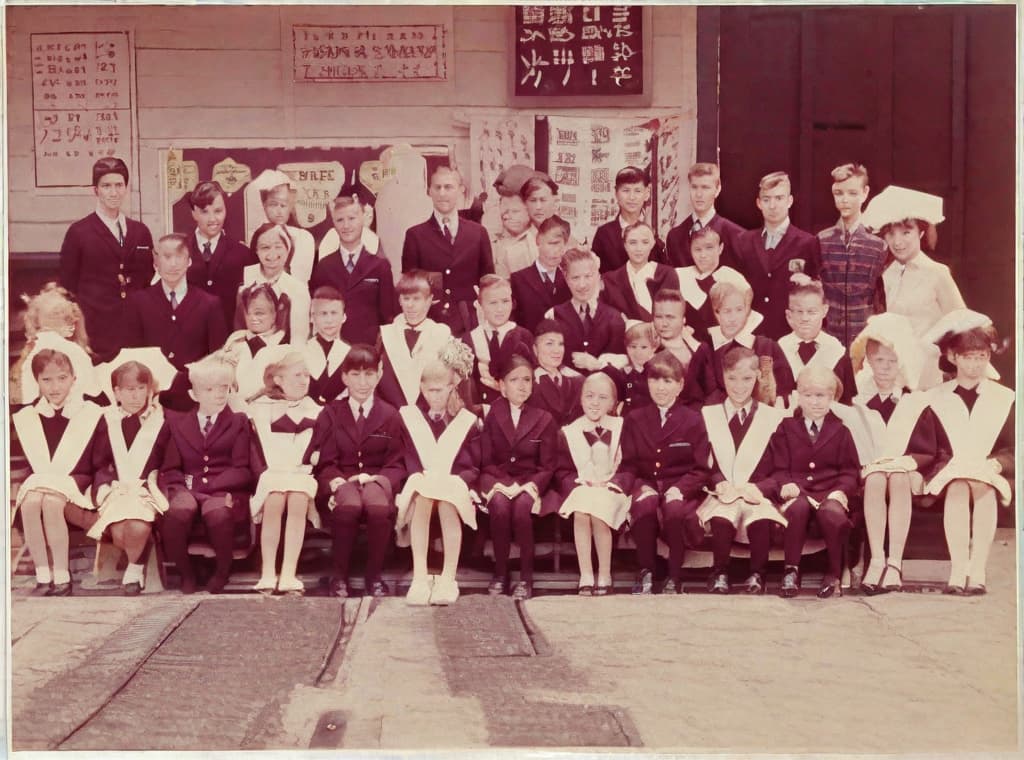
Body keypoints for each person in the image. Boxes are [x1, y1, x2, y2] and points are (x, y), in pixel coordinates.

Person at [846, 313, 940, 594]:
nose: (885, 368)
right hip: (870, 472)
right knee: (876, 478)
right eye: (879, 361)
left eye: (892, 362)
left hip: (905, 472)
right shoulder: (857, 400)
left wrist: (907, 465)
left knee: (897, 477)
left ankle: (895, 562)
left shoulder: (913, 400)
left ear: (901, 365)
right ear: (868, 362)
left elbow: (926, 449)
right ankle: (876, 560)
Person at [922, 310, 1013, 595]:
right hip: (948, 476)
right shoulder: (936, 398)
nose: (974, 365)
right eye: (968, 357)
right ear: (953, 357)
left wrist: (998, 465)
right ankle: (958, 568)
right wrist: (950, 466)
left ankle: (978, 569)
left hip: (991, 472)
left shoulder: (1004, 398)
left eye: (981, 357)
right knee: (960, 484)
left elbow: (1012, 445)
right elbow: (930, 446)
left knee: (981, 484)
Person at [313, 344, 406, 598]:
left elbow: (397, 462)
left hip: (376, 479)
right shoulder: (331, 414)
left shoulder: (391, 415)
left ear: (378, 375)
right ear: (344, 377)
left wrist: (380, 481)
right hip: (343, 480)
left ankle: (374, 576)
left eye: (369, 374)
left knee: (377, 506)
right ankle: (338, 576)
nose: (362, 382)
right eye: (355, 375)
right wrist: (338, 482)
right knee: (349, 505)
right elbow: (325, 463)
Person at [11, 349, 107, 595]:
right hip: (42, 479)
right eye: (47, 380)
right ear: (37, 382)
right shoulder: (27, 416)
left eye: (62, 378)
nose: (55, 386)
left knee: (52, 502)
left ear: (74, 378)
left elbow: (98, 462)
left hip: (77, 480)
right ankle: (43, 575)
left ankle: (62, 577)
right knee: (30, 503)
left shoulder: (90, 413)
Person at [157, 354, 253, 594]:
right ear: (194, 395)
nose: (219, 394)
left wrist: (210, 488)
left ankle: (222, 572)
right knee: (178, 512)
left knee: (218, 513)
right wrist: (182, 490)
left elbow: (242, 469)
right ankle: (186, 574)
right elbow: (170, 469)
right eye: (210, 389)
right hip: (187, 487)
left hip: (223, 488)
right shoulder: (177, 423)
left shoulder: (238, 422)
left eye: (224, 387)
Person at [618, 351, 711, 594]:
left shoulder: (693, 420)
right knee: (645, 506)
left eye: (667, 381)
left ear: (680, 386)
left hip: (679, 485)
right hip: (646, 482)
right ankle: (646, 571)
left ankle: (674, 575)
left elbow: (700, 468)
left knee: (674, 510)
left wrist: (680, 489)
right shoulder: (634, 418)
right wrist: (638, 485)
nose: (660, 388)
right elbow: (628, 464)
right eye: (655, 380)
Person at [697, 346, 787, 595]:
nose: (739, 386)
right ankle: (719, 573)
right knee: (721, 516)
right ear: (722, 377)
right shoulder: (708, 415)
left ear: (758, 376)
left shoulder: (772, 417)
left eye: (746, 378)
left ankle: (758, 574)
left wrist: (761, 488)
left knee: (759, 517)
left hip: (756, 491)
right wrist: (718, 481)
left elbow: (781, 468)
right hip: (721, 491)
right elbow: (702, 463)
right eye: (732, 378)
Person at [394, 350, 480, 606]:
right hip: (423, 480)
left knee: (446, 500)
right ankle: (420, 576)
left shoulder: (466, 420)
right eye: (430, 390)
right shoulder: (410, 417)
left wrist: (457, 480)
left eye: (440, 390)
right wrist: (419, 476)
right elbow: (408, 457)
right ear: (422, 388)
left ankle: (448, 577)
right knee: (423, 497)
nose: (435, 396)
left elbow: (472, 463)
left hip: (454, 482)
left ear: (452, 387)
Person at [83, 357, 174, 595]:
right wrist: (104, 485)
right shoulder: (107, 420)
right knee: (120, 533)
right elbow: (99, 461)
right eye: (129, 390)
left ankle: (133, 572)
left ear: (150, 390)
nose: (136, 396)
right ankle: (139, 558)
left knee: (137, 528)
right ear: (117, 392)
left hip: (147, 488)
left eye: (141, 389)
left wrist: (155, 483)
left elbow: (169, 461)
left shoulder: (162, 421)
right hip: (117, 487)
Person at [768, 365, 858, 599]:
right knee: (797, 507)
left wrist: (840, 491)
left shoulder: (841, 431)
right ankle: (791, 569)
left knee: (832, 513)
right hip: (798, 492)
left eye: (821, 396)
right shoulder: (786, 428)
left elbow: (850, 472)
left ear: (831, 398)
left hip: (829, 492)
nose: (815, 402)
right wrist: (785, 483)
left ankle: (834, 572)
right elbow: (778, 468)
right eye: (808, 396)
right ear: (798, 396)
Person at [862, 186, 965, 389]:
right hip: (896, 374)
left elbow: (961, 322)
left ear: (921, 232)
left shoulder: (938, 272)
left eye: (906, 232)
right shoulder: (887, 274)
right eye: (890, 234)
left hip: (931, 373)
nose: (897, 241)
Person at [58, 157, 154, 361]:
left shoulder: (140, 231)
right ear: (96, 190)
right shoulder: (79, 232)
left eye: (119, 185)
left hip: (134, 329)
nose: (114, 192)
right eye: (106, 186)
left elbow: (147, 277)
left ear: (126, 187)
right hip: (95, 329)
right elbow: (68, 284)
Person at [479, 353, 558, 599]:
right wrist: (502, 484)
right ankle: (500, 573)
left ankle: (526, 577)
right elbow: (486, 459)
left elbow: (547, 466)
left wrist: (531, 486)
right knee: (500, 507)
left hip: (529, 481)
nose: (522, 386)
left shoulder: (544, 418)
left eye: (527, 379)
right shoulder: (493, 414)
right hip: (498, 478)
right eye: (514, 380)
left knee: (523, 508)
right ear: (502, 385)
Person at [122, 234, 228, 412]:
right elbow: (133, 354)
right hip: (153, 400)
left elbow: (217, 356)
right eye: (167, 256)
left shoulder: (209, 303)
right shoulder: (138, 302)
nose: (173, 264)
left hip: (195, 399)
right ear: (156, 263)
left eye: (179, 256)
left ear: (189, 261)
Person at [247, 349, 321, 595]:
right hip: (273, 473)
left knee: (298, 499)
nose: (304, 380)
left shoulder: (316, 409)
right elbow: (260, 450)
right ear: (278, 379)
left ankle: (289, 571)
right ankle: (269, 571)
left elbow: (317, 448)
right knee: (275, 498)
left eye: (307, 375)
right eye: (297, 374)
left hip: (302, 474)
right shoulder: (261, 407)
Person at [556, 372, 629, 595]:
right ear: (581, 399)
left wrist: (614, 483)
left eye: (602, 398)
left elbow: (631, 465)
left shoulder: (622, 427)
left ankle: (604, 573)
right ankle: (586, 573)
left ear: (613, 403)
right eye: (589, 396)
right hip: (583, 487)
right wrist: (580, 484)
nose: (595, 403)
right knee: (581, 510)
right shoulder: (570, 431)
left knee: (597, 511)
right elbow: (562, 471)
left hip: (612, 489)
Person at [402, 166, 495, 336]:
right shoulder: (415, 235)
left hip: (469, 323)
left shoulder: (478, 233)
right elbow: (410, 287)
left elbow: (487, 282)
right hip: (430, 323)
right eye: (437, 187)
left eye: (448, 187)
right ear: (429, 191)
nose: (442, 193)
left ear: (461, 190)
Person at [732, 171, 821, 339]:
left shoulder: (807, 242)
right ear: (759, 203)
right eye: (767, 199)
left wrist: (810, 283)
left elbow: (817, 290)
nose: (773, 206)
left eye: (779, 198)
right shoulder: (743, 241)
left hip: (790, 334)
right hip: (752, 333)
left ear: (790, 201)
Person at [682, 280, 794, 409]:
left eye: (739, 310)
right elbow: (691, 399)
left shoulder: (767, 347)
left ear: (747, 311)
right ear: (716, 313)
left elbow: (787, 393)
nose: (733, 317)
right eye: (727, 311)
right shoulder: (706, 351)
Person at [309, 194, 396, 346]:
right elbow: (316, 310)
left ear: (363, 218)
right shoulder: (324, 266)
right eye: (340, 220)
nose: (346, 226)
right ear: (334, 223)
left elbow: (388, 316)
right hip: (332, 346)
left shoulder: (380, 266)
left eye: (352, 218)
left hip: (367, 349)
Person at [817, 163, 887, 348]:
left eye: (852, 193)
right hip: (829, 338)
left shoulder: (879, 244)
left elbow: (882, 300)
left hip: (866, 337)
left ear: (865, 193)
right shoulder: (822, 241)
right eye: (839, 193)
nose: (845, 200)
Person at [13, 283, 100, 407]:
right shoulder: (74, 351)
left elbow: (27, 399)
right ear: (69, 320)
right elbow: (94, 393)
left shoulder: (29, 353)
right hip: (76, 417)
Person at [184, 180, 256, 330]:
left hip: (230, 337)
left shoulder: (242, 253)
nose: (212, 219)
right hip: (190, 335)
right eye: (205, 212)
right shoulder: (180, 249)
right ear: (194, 213)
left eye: (218, 211)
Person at [375, 270, 453, 409]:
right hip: (391, 415)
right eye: (406, 299)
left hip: (429, 412)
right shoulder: (386, 334)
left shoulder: (441, 334)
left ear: (429, 300)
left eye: (416, 299)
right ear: (399, 300)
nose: (410, 305)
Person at [545, 248, 626, 373]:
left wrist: (598, 364)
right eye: (575, 278)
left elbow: (621, 364)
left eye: (588, 276)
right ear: (566, 280)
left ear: (598, 277)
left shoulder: (614, 318)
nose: (582, 285)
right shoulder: (553, 315)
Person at [777, 280, 856, 404]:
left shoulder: (837, 351)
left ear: (824, 311)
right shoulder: (778, 350)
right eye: (799, 311)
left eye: (811, 312)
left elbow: (847, 402)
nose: (805, 318)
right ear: (788, 315)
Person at [462, 274, 534, 406]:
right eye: (493, 303)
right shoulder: (469, 340)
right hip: (482, 411)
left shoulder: (524, 336)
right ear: (480, 305)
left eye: (505, 301)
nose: (500, 309)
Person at [674, 226, 749, 343]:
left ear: (720, 248)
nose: (703, 255)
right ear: (690, 250)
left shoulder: (731, 277)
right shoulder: (680, 275)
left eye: (709, 248)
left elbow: (746, 317)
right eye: (697, 249)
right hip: (687, 342)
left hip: (724, 343)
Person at [240, 223, 311, 344]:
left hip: (282, 356)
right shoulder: (245, 277)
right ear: (256, 250)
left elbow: (298, 340)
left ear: (288, 249)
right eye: (265, 247)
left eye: (278, 247)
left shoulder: (298, 289)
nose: (272, 254)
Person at [664, 162, 744, 270]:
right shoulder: (674, 237)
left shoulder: (737, 236)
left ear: (717, 190)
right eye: (694, 187)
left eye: (705, 188)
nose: (699, 194)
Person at [222, 283, 290, 406]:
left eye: (259, 313)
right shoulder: (235, 339)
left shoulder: (284, 347)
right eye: (248, 312)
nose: (252, 318)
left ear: (274, 314)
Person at [600, 221, 680, 321]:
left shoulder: (667, 274)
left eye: (645, 242)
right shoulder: (608, 280)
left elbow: (671, 314)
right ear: (625, 245)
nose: (639, 248)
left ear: (653, 244)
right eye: (633, 243)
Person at [591, 166, 665, 273]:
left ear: (647, 193)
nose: (632, 197)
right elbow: (598, 277)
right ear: (616, 193)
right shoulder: (604, 235)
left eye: (638, 191)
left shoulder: (656, 233)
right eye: (626, 190)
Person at [248, 169, 316, 284]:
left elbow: (302, 279)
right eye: (273, 204)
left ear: (290, 206)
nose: (279, 211)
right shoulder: (259, 237)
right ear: (264, 206)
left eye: (283, 205)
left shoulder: (304, 237)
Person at [510, 215, 572, 334]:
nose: (557, 250)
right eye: (551, 243)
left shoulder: (570, 279)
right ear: (538, 241)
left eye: (561, 244)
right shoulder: (518, 280)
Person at [526, 319, 585, 427]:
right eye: (549, 344)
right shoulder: (528, 382)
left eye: (560, 344)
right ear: (535, 349)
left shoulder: (579, 380)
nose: (557, 350)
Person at [303, 286, 351, 405]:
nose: (329, 320)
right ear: (312, 317)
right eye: (323, 314)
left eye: (334, 313)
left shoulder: (350, 353)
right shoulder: (301, 351)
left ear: (344, 317)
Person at [602, 320, 657, 416]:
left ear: (653, 347)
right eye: (633, 347)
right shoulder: (625, 370)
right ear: (626, 347)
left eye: (644, 347)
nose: (638, 352)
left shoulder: (658, 369)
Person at [651, 289, 702, 374]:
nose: (664, 323)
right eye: (659, 317)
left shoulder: (698, 351)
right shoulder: (647, 352)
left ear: (683, 320)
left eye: (670, 317)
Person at [492, 193, 535, 279]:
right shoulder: (497, 243)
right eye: (504, 213)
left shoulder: (537, 240)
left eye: (515, 211)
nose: (507, 216)